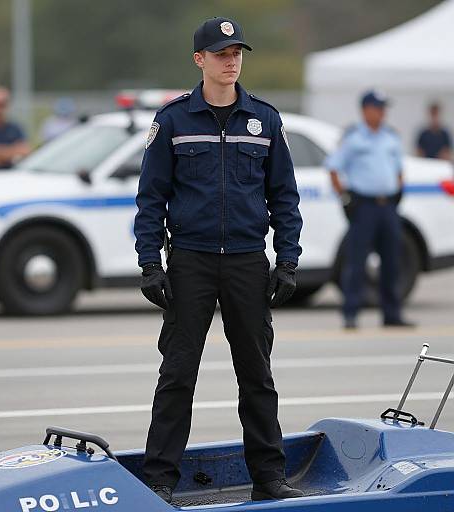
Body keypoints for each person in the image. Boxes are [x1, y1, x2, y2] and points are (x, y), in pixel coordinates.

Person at [134, 17, 303, 504]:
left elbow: (284, 197)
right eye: (222, 53)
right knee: (177, 376)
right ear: (199, 60)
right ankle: (161, 479)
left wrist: (287, 260)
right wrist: (151, 264)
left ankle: (269, 478)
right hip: (191, 262)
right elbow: (151, 198)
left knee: (257, 374)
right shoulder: (172, 121)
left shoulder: (265, 121)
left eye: (237, 53)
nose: (231, 61)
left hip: (248, 262)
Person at [326, 90, 414, 330]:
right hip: (364, 206)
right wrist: (345, 198)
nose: (383, 113)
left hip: (388, 206)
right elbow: (334, 167)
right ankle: (351, 313)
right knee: (356, 260)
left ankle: (392, 313)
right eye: (378, 108)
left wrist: (398, 189)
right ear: (366, 109)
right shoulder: (353, 137)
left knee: (392, 260)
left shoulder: (391, 137)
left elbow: (398, 169)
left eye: (384, 108)